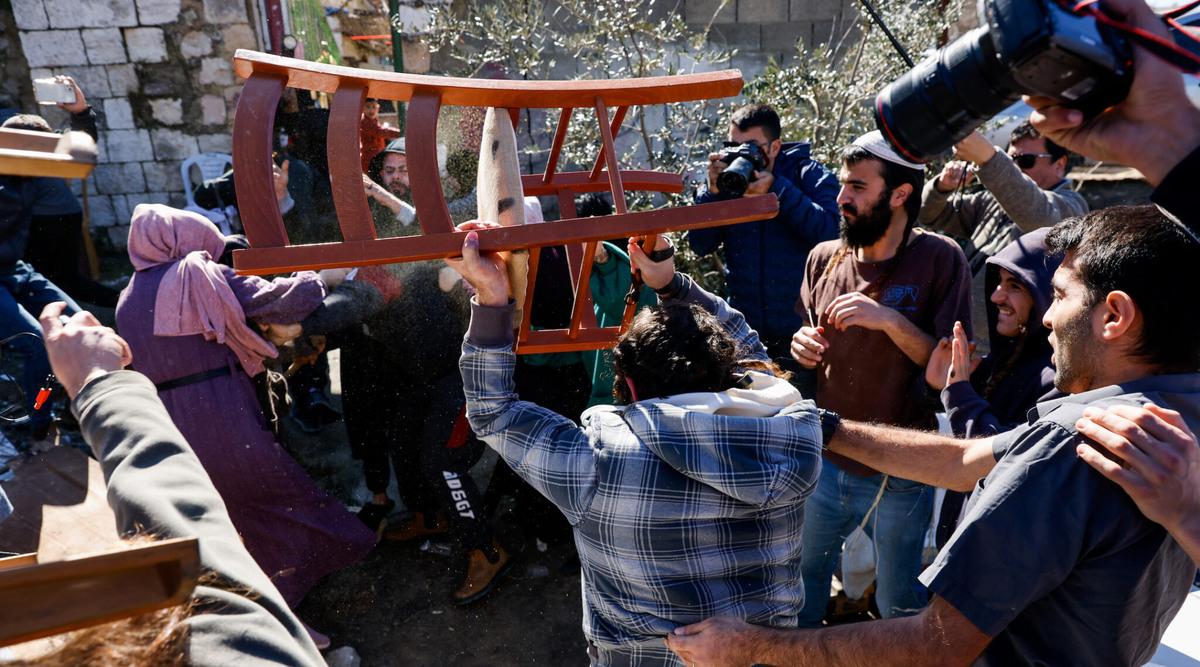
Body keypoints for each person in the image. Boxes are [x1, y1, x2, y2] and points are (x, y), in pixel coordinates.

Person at [451, 225, 824, 666]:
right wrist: (672, 283)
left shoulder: (598, 463)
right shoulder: (791, 433)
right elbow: (754, 357)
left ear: (628, 383)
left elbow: (492, 412)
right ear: (728, 371)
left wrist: (493, 297)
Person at [115, 204, 376, 644]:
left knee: (228, 517)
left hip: (171, 420)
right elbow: (281, 301)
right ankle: (281, 620)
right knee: (277, 499)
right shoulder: (194, 274)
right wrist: (323, 277)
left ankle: (268, 607)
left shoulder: (126, 298)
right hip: (220, 410)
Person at [25, 302, 324, 666]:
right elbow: (196, 558)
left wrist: (97, 385)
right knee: (244, 521)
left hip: (176, 417)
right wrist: (100, 385)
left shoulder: (130, 298)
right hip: (214, 417)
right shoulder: (201, 278)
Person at [789, 131, 972, 623]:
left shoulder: (941, 259)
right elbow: (809, 345)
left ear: (900, 194)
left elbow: (952, 365)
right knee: (803, 587)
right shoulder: (823, 258)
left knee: (898, 602)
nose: (842, 198)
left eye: (856, 187)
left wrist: (889, 320)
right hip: (827, 458)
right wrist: (800, 348)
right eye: (843, 185)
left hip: (904, 466)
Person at [331, 141, 507, 604]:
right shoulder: (372, 227)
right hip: (410, 374)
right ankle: (430, 518)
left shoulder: (444, 220)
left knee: (442, 462)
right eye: (387, 170)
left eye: (404, 169)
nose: (392, 176)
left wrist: (391, 201)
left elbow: (432, 237)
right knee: (403, 450)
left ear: (432, 178)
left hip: (457, 375)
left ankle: (485, 549)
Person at [924, 228, 1061, 545]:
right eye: (998, 282)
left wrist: (959, 392)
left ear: (1047, 296)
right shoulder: (1001, 359)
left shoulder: (1057, 378)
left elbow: (1003, 456)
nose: (996, 295)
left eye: (1015, 286)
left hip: (1001, 541)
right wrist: (937, 386)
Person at [689, 103, 840, 374]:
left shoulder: (808, 175)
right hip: (745, 333)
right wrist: (712, 195)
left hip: (802, 335)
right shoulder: (727, 181)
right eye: (734, 146)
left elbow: (832, 233)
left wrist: (777, 191)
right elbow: (700, 245)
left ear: (774, 147)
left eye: (752, 148)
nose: (743, 156)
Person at [359, 98, 402, 173]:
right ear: (362, 108)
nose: (371, 110)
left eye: (373, 107)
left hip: (376, 157)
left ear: (378, 108)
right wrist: (401, 133)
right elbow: (381, 131)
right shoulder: (365, 122)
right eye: (368, 107)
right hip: (370, 160)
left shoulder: (373, 119)